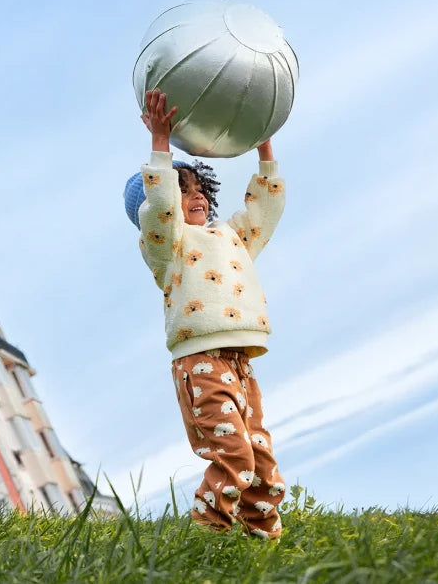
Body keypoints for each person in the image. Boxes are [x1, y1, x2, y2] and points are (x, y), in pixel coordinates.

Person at [124, 89, 287, 539]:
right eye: (182, 190)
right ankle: (204, 539)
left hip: (240, 360)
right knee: (233, 455)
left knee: (260, 461)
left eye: (199, 188)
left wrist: (264, 147)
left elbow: (265, 211)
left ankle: (265, 544)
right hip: (201, 362)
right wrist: (161, 142)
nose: (195, 196)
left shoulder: (231, 237)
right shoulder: (167, 246)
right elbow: (160, 209)